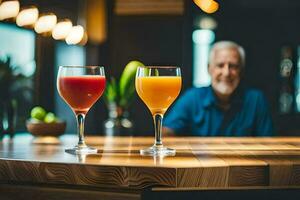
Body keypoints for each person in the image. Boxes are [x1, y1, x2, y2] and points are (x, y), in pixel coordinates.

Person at [163, 41, 274, 136]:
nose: (226, 73)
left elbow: (268, 142)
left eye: (233, 66)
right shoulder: (192, 98)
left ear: (241, 70)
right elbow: (167, 132)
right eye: (220, 65)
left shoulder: (256, 100)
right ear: (209, 69)